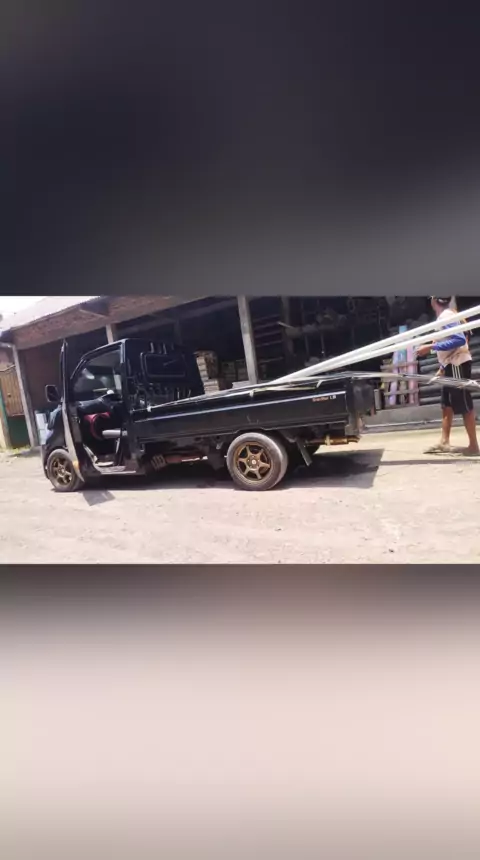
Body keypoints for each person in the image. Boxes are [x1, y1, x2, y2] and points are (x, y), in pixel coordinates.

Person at [416, 296, 479, 455]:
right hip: (451, 364)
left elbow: (459, 340)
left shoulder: (446, 317)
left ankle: (474, 446)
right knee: (447, 404)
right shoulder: (450, 315)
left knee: (463, 402)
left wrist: (430, 347)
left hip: (457, 364)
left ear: (433, 301)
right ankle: (444, 441)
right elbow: (463, 338)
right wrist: (443, 366)